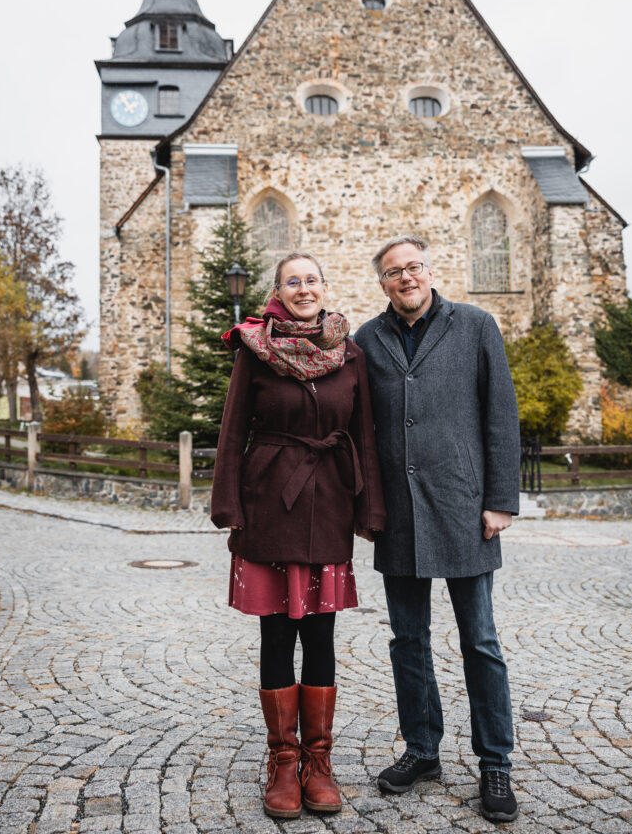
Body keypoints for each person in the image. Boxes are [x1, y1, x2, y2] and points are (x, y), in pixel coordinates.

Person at [211, 252, 386, 821]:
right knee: (276, 639)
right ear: (278, 291)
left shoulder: (350, 352)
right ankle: (283, 762)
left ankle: (319, 762)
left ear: (325, 288)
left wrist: (371, 509)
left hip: (331, 503)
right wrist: (229, 502)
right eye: (294, 281)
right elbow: (234, 427)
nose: (304, 288)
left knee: (322, 636)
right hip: (269, 504)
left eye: (312, 280)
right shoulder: (254, 348)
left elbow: (364, 434)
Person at [354, 235, 520, 824]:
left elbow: (501, 413)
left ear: (429, 271)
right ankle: (422, 749)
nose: (406, 277)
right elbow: (358, 429)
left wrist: (500, 501)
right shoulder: (366, 341)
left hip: (464, 509)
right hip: (398, 515)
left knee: (480, 642)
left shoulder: (475, 326)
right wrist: (366, 508)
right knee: (408, 642)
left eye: (414, 267)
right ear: (382, 282)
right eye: (394, 271)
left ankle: (495, 762)